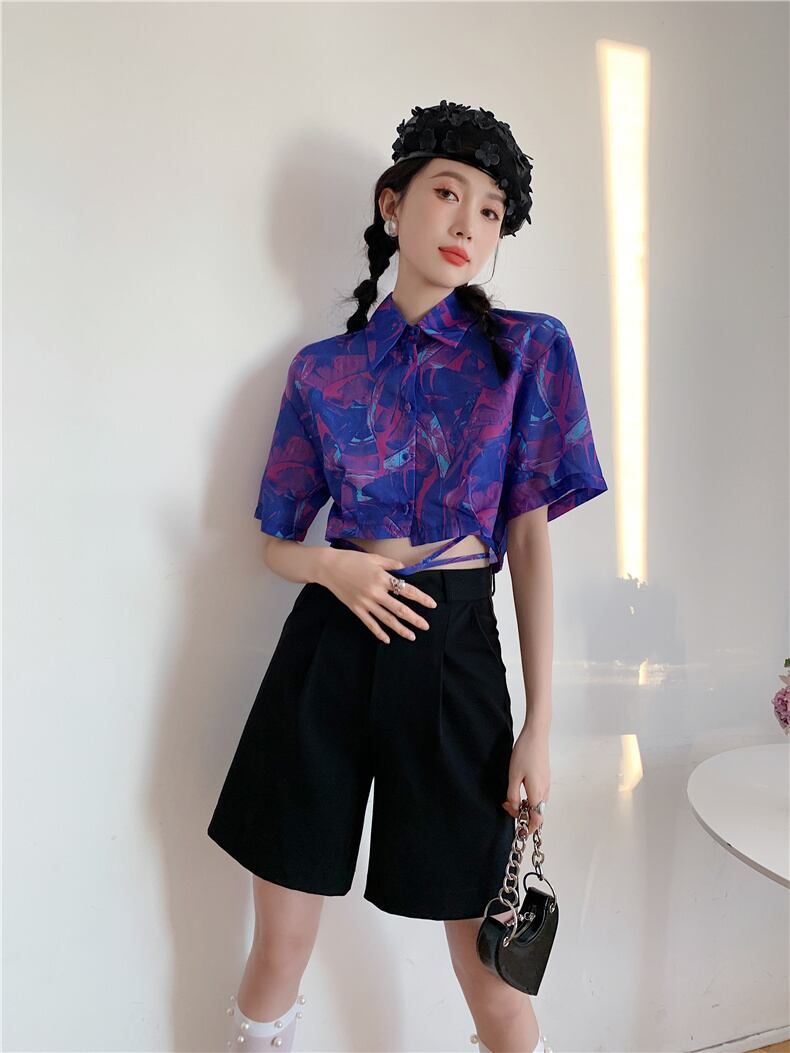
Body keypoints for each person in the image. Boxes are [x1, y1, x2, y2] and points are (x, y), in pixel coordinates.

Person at [208, 100, 608, 1053]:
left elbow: (530, 542)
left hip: (455, 653)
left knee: (494, 977)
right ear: (393, 204)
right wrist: (332, 568)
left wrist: (539, 725)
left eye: (491, 211)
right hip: (327, 651)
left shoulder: (528, 352)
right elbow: (274, 541)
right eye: (447, 193)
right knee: (279, 948)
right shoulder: (323, 372)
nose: (469, 223)